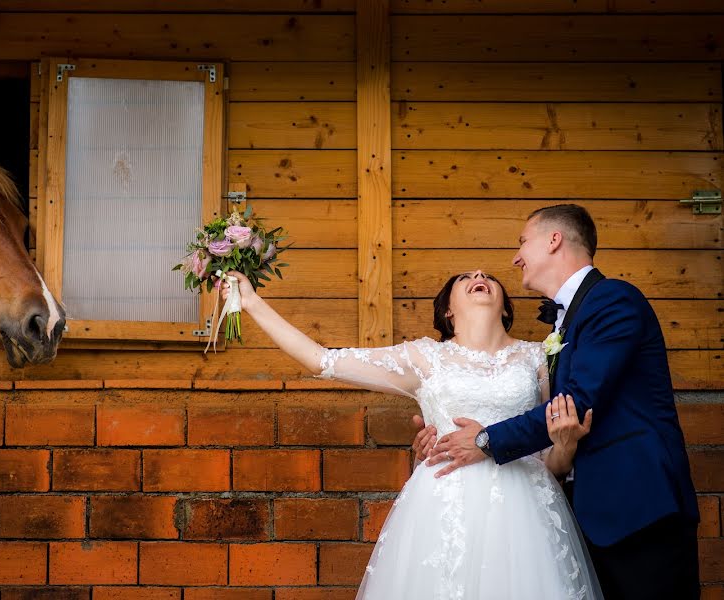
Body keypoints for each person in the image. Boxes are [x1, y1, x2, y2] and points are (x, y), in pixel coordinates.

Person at [221, 268, 603, 599]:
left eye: (488, 276)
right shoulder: (422, 357)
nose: (479, 278)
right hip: (442, 503)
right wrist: (252, 301)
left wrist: (566, 446)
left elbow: (551, 461)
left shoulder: (540, 357)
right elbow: (322, 360)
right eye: (466, 278)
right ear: (448, 310)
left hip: (527, 512)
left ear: (505, 307)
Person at [416, 204, 700, 600]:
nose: (516, 257)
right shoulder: (564, 324)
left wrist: (485, 441)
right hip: (591, 515)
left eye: (522, 243)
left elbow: (578, 401)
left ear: (554, 241)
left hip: (639, 508)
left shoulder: (612, 299)